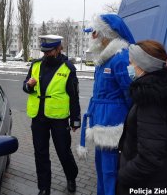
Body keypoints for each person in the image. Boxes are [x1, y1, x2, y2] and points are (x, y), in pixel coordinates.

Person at [116, 40, 167, 194]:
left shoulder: (150, 101)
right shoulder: (162, 91)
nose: (129, 67)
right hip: (159, 178)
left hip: (143, 184)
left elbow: (149, 158)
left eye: (131, 63)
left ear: (143, 65)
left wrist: (123, 175)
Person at [77, 14, 135, 195]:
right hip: (100, 124)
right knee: (102, 172)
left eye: (94, 33)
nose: (91, 37)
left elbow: (131, 96)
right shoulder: (103, 61)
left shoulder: (120, 59)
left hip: (114, 128)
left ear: (106, 34)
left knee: (111, 174)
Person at [23, 35, 81, 195]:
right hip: (38, 117)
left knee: (63, 151)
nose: (46, 54)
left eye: (49, 51)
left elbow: (74, 96)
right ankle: (44, 187)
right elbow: (26, 85)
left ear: (57, 50)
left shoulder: (68, 68)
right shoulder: (35, 65)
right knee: (40, 153)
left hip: (59, 119)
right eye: (44, 52)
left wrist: (75, 120)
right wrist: (29, 86)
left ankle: (71, 176)